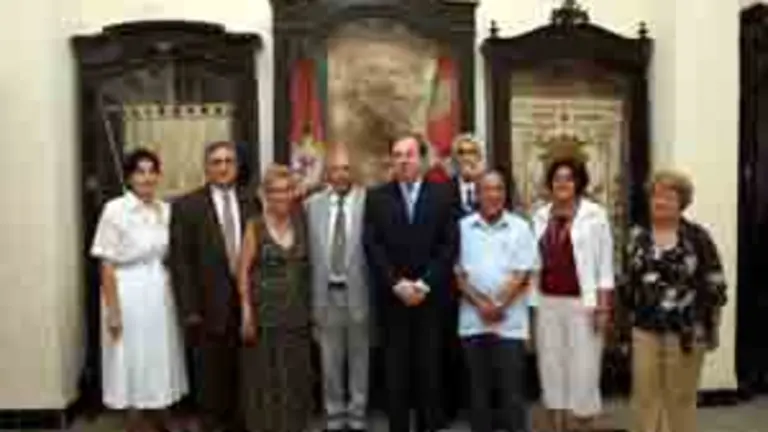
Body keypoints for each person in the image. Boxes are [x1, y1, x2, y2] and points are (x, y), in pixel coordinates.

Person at [363, 133, 458, 432]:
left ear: (422, 159)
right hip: (393, 301)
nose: (403, 160)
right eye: (397, 154)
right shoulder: (377, 197)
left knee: (431, 373)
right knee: (395, 376)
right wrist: (396, 284)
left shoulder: (443, 195)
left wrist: (424, 285)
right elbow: (372, 245)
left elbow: (449, 245)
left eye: (409, 154)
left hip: (431, 301)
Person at [90, 149, 188, 432]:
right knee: (131, 354)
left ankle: (161, 412)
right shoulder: (115, 209)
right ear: (129, 177)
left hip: (159, 289)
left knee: (160, 352)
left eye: (151, 171)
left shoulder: (166, 209)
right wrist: (113, 312)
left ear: (158, 175)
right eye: (139, 172)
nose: (146, 177)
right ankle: (134, 420)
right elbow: (106, 263)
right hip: (127, 290)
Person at [623, 170, 727, 432]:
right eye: (655, 195)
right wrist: (626, 328)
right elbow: (626, 283)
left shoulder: (698, 238)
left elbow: (715, 285)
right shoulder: (637, 237)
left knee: (680, 398)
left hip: (688, 331)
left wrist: (712, 327)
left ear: (682, 202)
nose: (660, 201)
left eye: (669, 196)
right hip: (644, 330)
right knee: (645, 397)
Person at [168, 140, 254, 432]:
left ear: (237, 166)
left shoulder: (251, 200)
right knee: (209, 379)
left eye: (228, 161)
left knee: (242, 376)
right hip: (206, 308)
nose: (223, 167)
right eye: (216, 162)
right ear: (206, 167)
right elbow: (180, 262)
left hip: (246, 306)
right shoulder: (186, 206)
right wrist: (189, 309)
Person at [531, 157, 615, 432]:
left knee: (585, 370)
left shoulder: (595, 215)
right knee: (551, 368)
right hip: (547, 304)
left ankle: (583, 426)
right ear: (550, 184)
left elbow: (605, 266)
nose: (563, 183)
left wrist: (603, 308)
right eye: (557, 178)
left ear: (578, 182)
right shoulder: (540, 215)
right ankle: (557, 425)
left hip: (584, 305)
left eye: (568, 178)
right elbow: (532, 263)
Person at [455, 170, 538, 432]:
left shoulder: (521, 227)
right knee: (477, 395)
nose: (493, 195)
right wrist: (481, 305)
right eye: (487, 189)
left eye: (499, 189)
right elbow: (457, 275)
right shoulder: (462, 228)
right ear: (477, 195)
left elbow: (522, 273)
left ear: (505, 194)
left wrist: (499, 305)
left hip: (509, 323)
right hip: (473, 322)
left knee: (512, 394)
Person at [238, 164, 315, 432]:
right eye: (274, 191)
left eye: (286, 190)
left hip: (297, 315)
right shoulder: (255, 226)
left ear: (294, 192)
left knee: (295, 378)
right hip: (264, 317)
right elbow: (243, 271)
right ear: (265, 195)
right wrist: (246, 311)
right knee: (265, 380)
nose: (281, 196)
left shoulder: (302, 222)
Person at [306, 146, 371, 432]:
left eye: (346, 168)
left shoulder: (369, 202)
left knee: (360, 358)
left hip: (359, 293)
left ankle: (357, 414)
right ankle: (334, 414)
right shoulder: (311, 205)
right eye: (335, 169)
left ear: (352, 171)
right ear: (327, 173)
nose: (341, 174)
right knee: (329, 360)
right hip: (325, 295)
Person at [450, 133, 484, 219]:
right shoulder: (445, 190)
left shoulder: (487, 187)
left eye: (471, 152)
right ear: (455, 157)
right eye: (461, 153)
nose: (466, 158)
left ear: (479, 157)